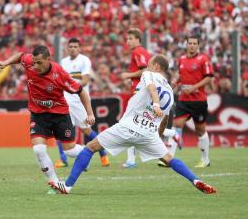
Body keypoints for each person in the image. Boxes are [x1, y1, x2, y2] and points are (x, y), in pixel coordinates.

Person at [49, 55, 216, 195]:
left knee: (90, 147)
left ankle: (68, 186)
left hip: (128, 126)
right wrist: (157, 136)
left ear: (156, 66)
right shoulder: (171, 93)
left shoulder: (150, 74)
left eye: (150, 65)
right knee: (169, 159)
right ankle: (196, 180)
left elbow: (151, 88)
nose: (147, 67)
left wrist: (155, 103)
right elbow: (165, 118)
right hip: (148, 133)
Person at [0, 45, 95, 193]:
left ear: (48, 60)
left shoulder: (59, 74)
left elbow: (81, 91)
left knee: (70, 151)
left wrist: (89, 113)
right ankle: (55, 183)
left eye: (39, 63)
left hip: (60, 115)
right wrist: (5, 62)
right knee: (38, 149)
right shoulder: (29, 62)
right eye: (34, 62)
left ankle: (85, 155)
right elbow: (20, 56)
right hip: (38, 115)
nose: (35, 65)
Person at [54, 38, 109, 168]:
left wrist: (70, 87)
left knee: (86, 131)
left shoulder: (84, 60)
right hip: (65, 102)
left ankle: (103, 153)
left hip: (79, 101)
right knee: (59, 130)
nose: (72, 49)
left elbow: (85, 80)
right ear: (67, 49)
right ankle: (63, 159)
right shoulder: (63, 62)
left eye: (75, 46)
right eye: (70, 46)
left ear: (79, 48)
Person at [163, 37, 214, 168]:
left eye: (194, 43)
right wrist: (175, 82)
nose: (192, 46)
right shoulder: (182, 59)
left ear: (198, 45)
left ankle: (205, 159)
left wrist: (194, 87)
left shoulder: (203, 59)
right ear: (186, 45)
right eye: (189, 43)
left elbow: (209, 77)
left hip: (198, 100)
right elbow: (182, 74)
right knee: (176, 124)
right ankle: (169, 158)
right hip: (184, 99)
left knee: (200, 130)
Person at [120, 28, 151, 168]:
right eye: (127, 38)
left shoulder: (138, 52)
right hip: (142, 91)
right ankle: (172, 134)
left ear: (138, 39)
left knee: (128, 123)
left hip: (138, 92)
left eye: (131, 38)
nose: (128, 41)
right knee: (139, 124)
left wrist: (128, 75)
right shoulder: (142, 52)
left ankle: (131, 161)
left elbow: (145, 70)